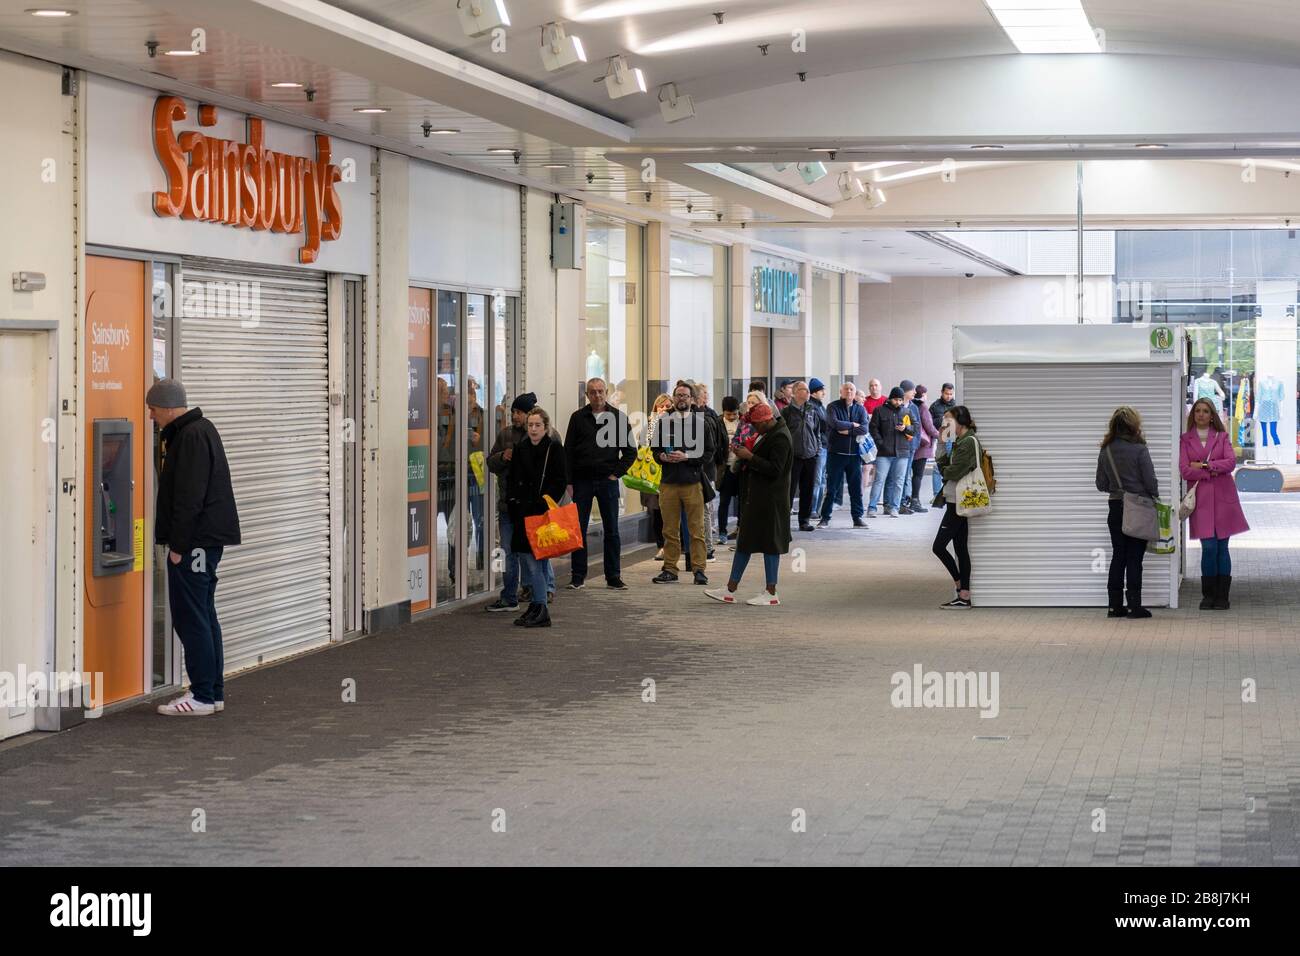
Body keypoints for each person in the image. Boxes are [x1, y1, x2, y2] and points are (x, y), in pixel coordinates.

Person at [147, 378, 241, 716]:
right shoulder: (201, 430)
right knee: (204, 614)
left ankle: (201, 695)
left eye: (153, 409)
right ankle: (212, 692)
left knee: (191, 617)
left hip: (195, 543)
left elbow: (189, 498)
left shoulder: (189, 438)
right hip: (205, 541)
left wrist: (178, 547)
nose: (151, 416)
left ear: (170, 408)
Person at [706, 402, 791, 607]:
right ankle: (730, 589)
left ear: (767, 420)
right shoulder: (769, 432)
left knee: (771, 545)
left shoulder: (780, 437)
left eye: (757, 425)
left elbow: (775, 469)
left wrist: (749, 456)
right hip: (757, 498)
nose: (754, 428)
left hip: (770, 500)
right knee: (744, 543)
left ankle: (771, 592)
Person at [485, 392, 556, 612]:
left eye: (518, 412)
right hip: (509, 506)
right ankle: (509, 596)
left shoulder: (548, 437)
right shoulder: (506, 435)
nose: (514, 416)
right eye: (513, 411)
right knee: (508, 551)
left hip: (533, 508)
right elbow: (491, 462)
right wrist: (501, 457)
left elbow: (555, 473)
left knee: (535, 553)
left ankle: (542, 595)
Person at [564, 377, 636, 591]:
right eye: (592, 392)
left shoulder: (618, 418)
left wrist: (616, 474)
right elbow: (568, 452)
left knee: (612, 530)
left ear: (606, 393)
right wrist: (569, 482)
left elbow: (631, 452)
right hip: (582, 482)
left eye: (600, 391)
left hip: (607, 481)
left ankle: (613, 576)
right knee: (579, 529)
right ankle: (578, 576)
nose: (597, 395)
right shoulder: (577, 418)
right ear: (587, 395)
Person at [1180, 398, 1249, 610]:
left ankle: (1222, 596)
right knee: (1208, 548)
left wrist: (1206, 465)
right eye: (1198, 411)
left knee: (1222, 548)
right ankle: (1207, 595)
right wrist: (1212, 470)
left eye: (1206, 411)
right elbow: (1185, 470)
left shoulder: (1222, 436)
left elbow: (1230, 463)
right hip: (1201, 501)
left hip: (1223, 500)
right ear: (1193, 414)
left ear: (1212, 416)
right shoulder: (1185, 439)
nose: (1201, 414)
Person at [505, 406, 568, 628]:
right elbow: (511, 480)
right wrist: (513, 503)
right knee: (530, 561)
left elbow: (560, 481)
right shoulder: (521, 449)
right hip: (522, 513)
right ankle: (536, 605)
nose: (533, 429)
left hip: (540, 513)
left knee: (536, 562)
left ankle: (541, 607)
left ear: (545, 427)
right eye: (530, 425)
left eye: (537, 425)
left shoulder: (554, 448)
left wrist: (542, 503)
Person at [1096, 406, 1160, 619]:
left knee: (1118, 556)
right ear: (1134, 425)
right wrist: (1153, 494)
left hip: (1115, 507)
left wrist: (1118, 488)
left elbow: (1100, 483)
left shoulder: (1106, 450)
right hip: (1138, 508)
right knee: (1135, 558)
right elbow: (1150, 480)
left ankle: (1114, 606)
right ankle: (1134, 606)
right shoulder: (1139, 449)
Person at [651, 381, 714, 584]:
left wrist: (687, 457)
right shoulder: (664, 422)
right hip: (668, 482)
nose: (681, 399)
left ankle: (699, 570)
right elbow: (654, 450)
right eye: (678, 395)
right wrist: (661, 456)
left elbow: (709, 453)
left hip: (692, 482)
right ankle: (670, 568)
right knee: (669, 530)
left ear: (692, 399)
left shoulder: (701, 423)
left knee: (697, 530)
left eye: (685, 396)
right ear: (674, 397)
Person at [932, 406, 977, 609]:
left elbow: (951, 471)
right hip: (955, 500)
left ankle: (960, 588)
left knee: (939, 546)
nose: (945, 424)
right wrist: (942, 441)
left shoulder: (967, 442)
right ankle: (964, 596)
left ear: (960, 420)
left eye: (948, 420)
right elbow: (942, 462)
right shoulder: (957, 441)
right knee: (960, 548)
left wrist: (945, 469)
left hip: (958, 502)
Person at [818, 382, 869, 528]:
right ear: (841, 391)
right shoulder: (833, 407)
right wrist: (853, 425)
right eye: (846, 389)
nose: (849, 391)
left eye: (852, 389)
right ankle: (825, 518)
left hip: (854, 455)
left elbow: (864, 428)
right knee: (832, 488)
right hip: (836, 454)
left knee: (855, 489)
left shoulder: (860, 409)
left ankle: (857, 518)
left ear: (855, 392)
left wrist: (847, 430)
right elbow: (834, 424)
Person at [782, 380, 824, 532]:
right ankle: (784, 520)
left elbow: (817, 432)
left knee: (808, 489)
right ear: (795, 392)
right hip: (793, 457)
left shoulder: (812, 410)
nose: (808, 392)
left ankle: (804, 520)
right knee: (789, 490)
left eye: (807, 390)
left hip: (810, 456)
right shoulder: (786, 412)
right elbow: (782, 435)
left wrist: (817, 451)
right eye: (804, 390)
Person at [868, 387, 914, 517]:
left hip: (902, 452)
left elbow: (915, 429)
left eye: (900, 399)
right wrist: (880, 443)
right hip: (884, 452)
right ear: (890, 398)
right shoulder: (879, 411)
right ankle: (872, 507)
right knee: (879, 480)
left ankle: (895, 508)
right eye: (896, 399)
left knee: (899, 481)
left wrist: (906, 428)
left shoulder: (907, 412)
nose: (898, 402)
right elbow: (873, 428)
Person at [642, 393, 674, 561]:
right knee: (656, 512)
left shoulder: (676, 424)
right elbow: (644, 446)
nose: (664, 409)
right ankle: (661, 546)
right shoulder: (650, 425)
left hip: (669, 474)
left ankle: (672, 545)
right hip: (652, 474)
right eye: (661, 406)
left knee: (669, 511)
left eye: (668, 406)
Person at [906, 384, 940, 514]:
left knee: (908, 474)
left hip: (911, 443)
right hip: (922, 446)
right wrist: (941, 436)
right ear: (923, 395)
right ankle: (915, 500)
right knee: (918, 475)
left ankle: (908, 499)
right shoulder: (923, 407)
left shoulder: (911, 405)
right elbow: (929, 427)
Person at [717, 395, 743, 542]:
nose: (732, 417)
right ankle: (722, 530)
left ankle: (740, 528)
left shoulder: (743, 422)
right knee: (724, 501)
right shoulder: (718, 422)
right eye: (729, 414)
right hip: (725, 466)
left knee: (741, 500)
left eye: (735, 413)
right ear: (724, 412)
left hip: (739, 466)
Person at [897, 380, 921, 512]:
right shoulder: (897, 406)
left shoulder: (914, 407)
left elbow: (918, 427)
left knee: (906, 475)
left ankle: (903, 501)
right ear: (905, 391)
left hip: (910, 446)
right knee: (900, 475)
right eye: (912, 390)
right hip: (898, 446)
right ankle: (898, 502)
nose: (915, 392)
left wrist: (915, 444)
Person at [929, 383, 957, 496]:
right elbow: (929, 423)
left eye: (951, 394)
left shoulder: (957, 405)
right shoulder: (935, 406)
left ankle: (950, 493)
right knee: (937, 467)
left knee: (952, 466)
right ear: (942, 392)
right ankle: (936, 495)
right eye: (946, 393)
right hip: (940, 439)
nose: (949, 396)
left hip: (954, 439)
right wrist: (941, 420)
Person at [808, 378, 830, 516]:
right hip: (819, 446)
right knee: (817, 480)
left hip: (825, 445)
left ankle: (817, 508)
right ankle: (812, 509)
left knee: (822, 479)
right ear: (814, 393)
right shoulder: (812, 407)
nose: (824, 393)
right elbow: (820, 427)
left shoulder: (820, 406)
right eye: (821, 390)